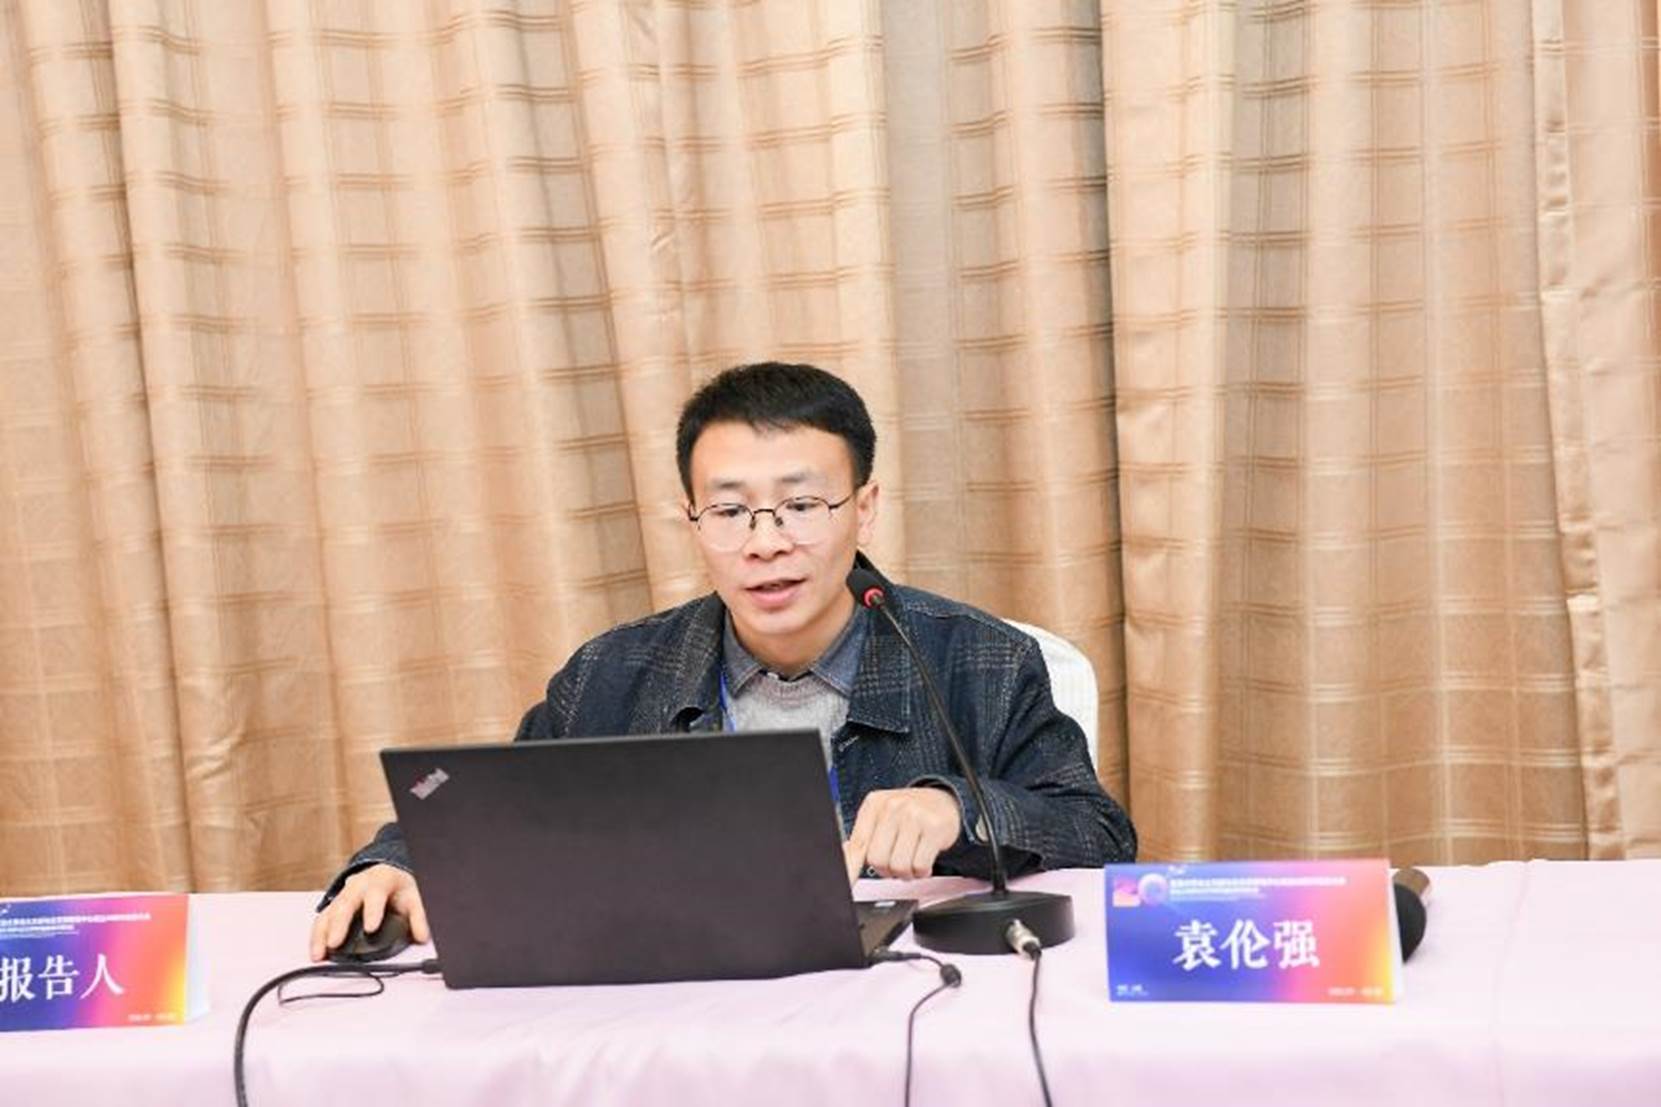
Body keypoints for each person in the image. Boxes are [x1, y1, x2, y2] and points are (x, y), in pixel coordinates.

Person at [310, 362, 1136, 960]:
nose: (765, 542)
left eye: (801, 504)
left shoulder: (977, 659)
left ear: (865, 508)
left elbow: (1099, 835)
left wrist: (960, 809)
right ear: (693, 521)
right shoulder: (614, 673)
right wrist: (398, 863)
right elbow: (501, 812)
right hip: (674, 1012)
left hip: (902, 1010)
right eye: (731, 511)